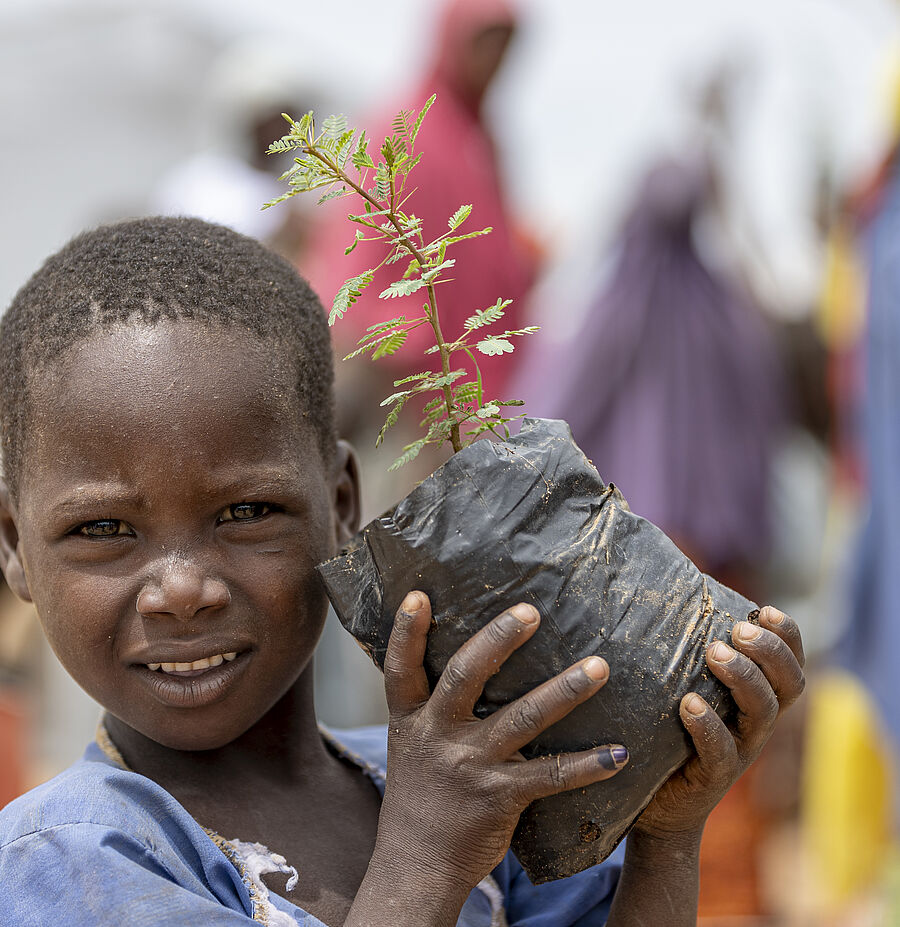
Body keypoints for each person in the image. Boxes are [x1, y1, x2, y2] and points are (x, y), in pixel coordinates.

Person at [0, 217, 805, 926]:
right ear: (13, 544)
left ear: (344, 504)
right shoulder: (69, 854)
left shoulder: (470, 775)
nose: (182, 588)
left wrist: (666, 829)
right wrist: (424, 854)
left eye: (246, 512)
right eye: (102, 528)